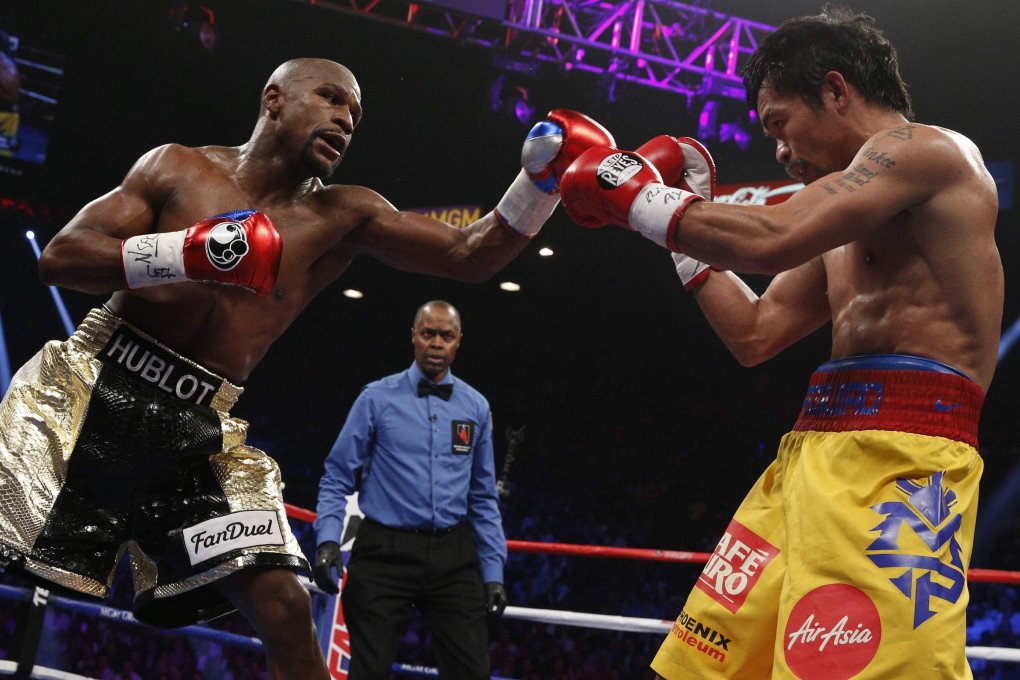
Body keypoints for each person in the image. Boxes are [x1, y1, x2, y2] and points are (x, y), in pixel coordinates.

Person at [0, 57, 613, 680]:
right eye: (329, 99)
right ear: (274, 100)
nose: (345, 119)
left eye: (355, 114)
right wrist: (188, 253)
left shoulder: (344, 216)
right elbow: (62, 258)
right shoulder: (177, 167)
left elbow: (468, 255)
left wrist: (539, 186)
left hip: (196, 434)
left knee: (285, 605)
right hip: (85, 389)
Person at [558, 6, 1001, 679]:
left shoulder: (929, 152)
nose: (779, 151)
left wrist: (637, 197)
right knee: (704, 667)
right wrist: (666, 229)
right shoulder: (843, 222)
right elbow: (754, 333)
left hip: (899, 467)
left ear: (835, 89)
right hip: (808, 456)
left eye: (779, 124)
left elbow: (771, 239)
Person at [313, 300, 507, 679]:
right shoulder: (376, 398)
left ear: (458, 342)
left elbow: (483, 497)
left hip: (453, 555)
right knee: (368, 672)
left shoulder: (476, 407)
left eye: (446, 336)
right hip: (384, 551)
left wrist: (493, 571)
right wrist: (327, 540)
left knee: (473, 671)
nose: (437, 343)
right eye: (428, 333)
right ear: (413, 337)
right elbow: (337, 475)